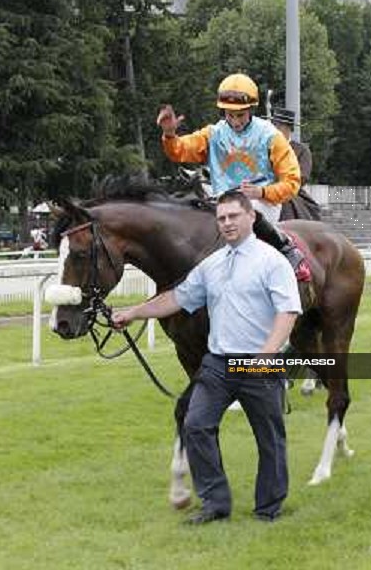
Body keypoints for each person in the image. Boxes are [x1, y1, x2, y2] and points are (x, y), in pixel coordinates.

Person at [112, 191, 302, 524]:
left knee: (269, 438)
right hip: (217, 363)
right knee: (196, 425)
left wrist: (266, 355)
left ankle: (268, 508)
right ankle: (215, 504)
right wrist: (134, 313)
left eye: (233, 216)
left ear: (251, 217)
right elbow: (176, 298)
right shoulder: (211, 265)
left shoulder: (273, 262)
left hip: (259, 362)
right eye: (222, 218)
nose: (227, 223)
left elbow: (287, 313)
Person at [156, 72, 310, 281]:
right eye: (230, 115)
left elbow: (292, 182)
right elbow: (180, 151)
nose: (235, 121)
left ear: (251, 110)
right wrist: (170, 135)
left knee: (244, 214)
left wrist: (262, 191)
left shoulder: (270, 136)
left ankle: (285, 247)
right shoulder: (213, 133)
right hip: (222, 199)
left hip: (262, 202)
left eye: (240, 115)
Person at [270, 107, 321, 221]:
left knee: (288, 205)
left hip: (290, 191)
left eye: (279, 126)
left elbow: (302, 176)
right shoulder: (264, 147)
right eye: (273, 125)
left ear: (288, 128)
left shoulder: (301, 150)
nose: (274, 129)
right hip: (263, 188)